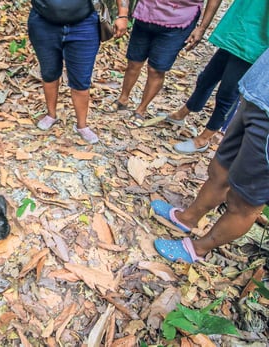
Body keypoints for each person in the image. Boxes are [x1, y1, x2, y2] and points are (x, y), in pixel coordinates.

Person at [150, 47, 269, 263]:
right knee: (220, 168)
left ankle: (199, 248)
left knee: (245, 201)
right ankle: (187, 217)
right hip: (256, 94)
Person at [167, 0, 269, 154]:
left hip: (253, 46)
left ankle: (203, 139)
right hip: (236, 34)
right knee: (206, 79)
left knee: (227, 94)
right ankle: (181, 114)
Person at [28, 0, 129, 144]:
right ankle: (51, 115)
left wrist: (123, 15)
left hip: (84, 24)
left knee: (81, 79)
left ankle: (82, 125)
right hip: (43, 22)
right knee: (49, 72)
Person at [110, 0, 222, 128]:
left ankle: (141, 110)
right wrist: (123, 14)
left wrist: (202, 28)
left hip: (179, 22)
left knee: (156, 69)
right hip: (146, 14)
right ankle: (123, 99)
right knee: (134, 62)